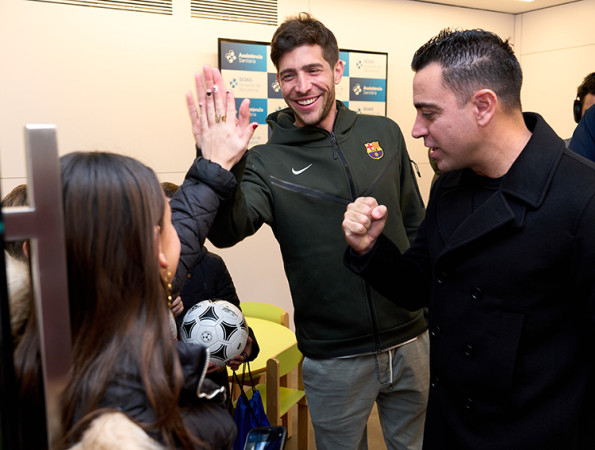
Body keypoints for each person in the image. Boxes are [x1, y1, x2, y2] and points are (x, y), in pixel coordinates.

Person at [185, 12, 429, 450]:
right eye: (288, 75)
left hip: (412, 338)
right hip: (334, 356)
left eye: (313, 70)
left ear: (337, 70)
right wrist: (218, 163)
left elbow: (416, 225)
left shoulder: (386, 133)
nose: (302, 86)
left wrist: (432, 312)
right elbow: (227, 231)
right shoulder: (265, 160)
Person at [342, 28, 595, 449]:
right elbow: (418, 284)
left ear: (482, 106)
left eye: (429, 113)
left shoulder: (582, 198)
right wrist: (371, 249)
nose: (417, 129)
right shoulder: (450, 184)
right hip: (451, 428)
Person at [57, 152, 237, 449]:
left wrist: (211, 169)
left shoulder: (46, 352)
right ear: (156, 250)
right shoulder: (174, 418)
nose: (178, 231)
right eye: (170, 224)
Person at [162, 181, 260, 413]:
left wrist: (244, 351)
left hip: (212, 391)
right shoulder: (141, 269)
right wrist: (162, 312)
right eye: (159, 220)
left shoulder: (212, 265)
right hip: (166, 392)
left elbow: (239, 322)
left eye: (175, 220)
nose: (168, 227)